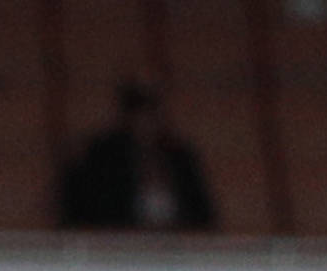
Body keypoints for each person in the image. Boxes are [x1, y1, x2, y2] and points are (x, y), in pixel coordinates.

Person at [59, 82, 218, 232]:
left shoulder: (180, 158)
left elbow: (202, 213)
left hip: (177, 248)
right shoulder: (104, 159)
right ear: (127, 119)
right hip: (122, 247)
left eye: (151, 117)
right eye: (139, 118)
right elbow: (90, 211)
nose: (145, 125)